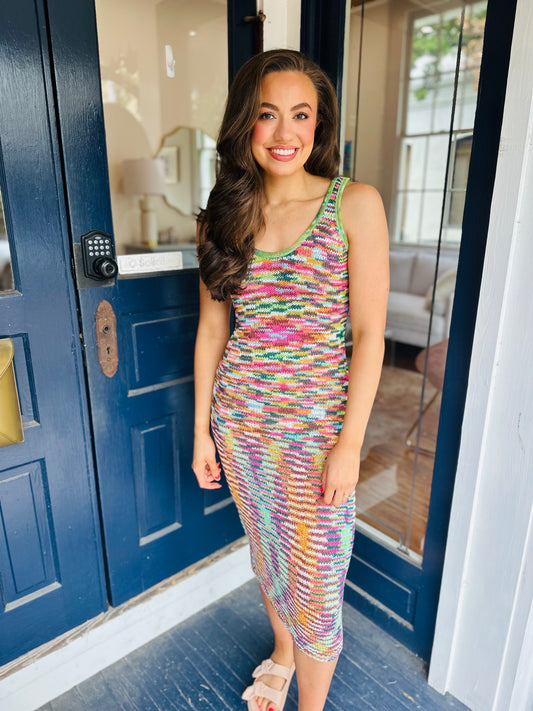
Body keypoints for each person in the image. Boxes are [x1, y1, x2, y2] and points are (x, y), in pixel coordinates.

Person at [192, 49, 389, 711]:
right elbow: (213, 332)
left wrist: (349, 445)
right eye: (267, 114)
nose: (284, 133)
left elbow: (369, 336)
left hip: (316, 437)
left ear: (319, 124)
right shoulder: (222, 215)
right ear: (243, 123)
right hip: (241, 427)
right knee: (269, 552)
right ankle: (281, 651)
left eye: (301, 115)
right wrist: (202, 433)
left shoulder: (353, 204)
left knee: (318, 585)